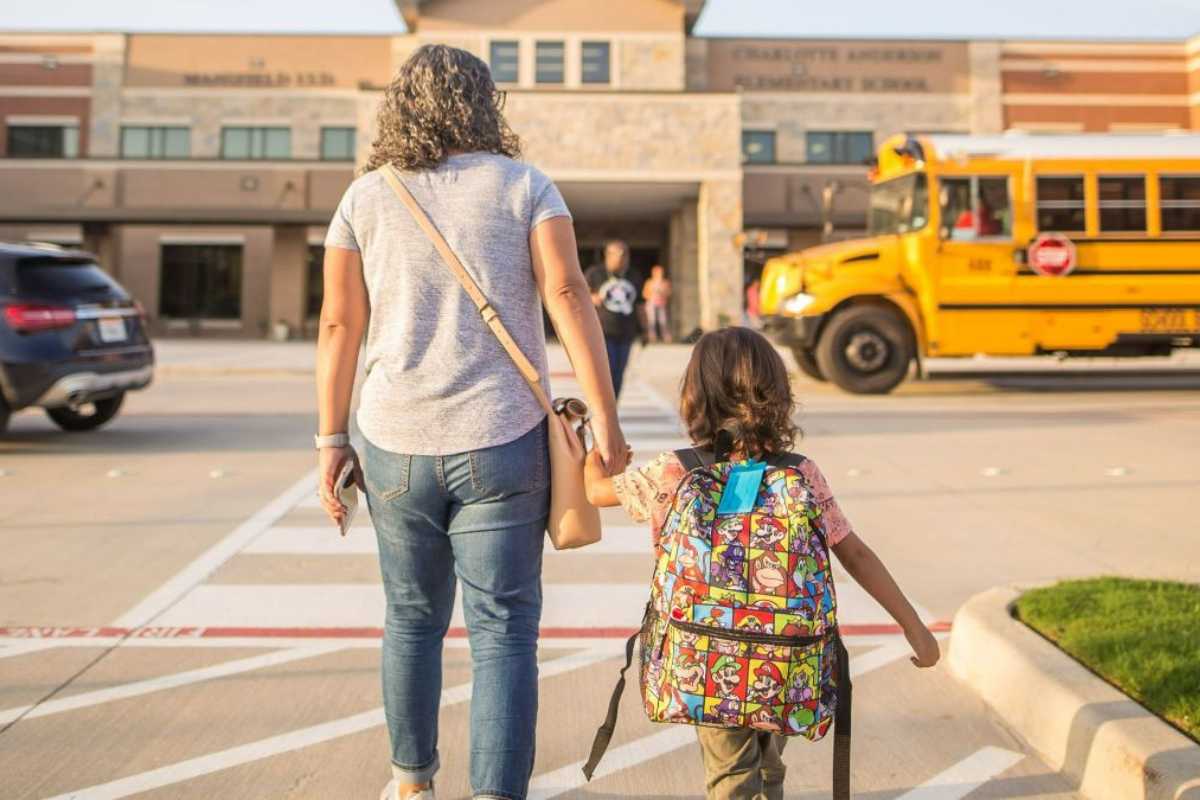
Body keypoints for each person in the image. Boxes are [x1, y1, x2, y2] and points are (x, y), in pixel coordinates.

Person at [314, 44, 628, 800]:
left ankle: (412, 783)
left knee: (412, 621)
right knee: (504, 631)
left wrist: (330, 442)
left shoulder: (364, 198)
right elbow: (569, 294)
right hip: (504, 442)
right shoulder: (526, 187)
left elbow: (337, 326)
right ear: (487, 104)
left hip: (394, 444)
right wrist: (607, 423)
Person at [582, 327, 939, 800]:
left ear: (695, 395)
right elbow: (853, 551)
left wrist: (592, 459)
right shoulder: (800, 473)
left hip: (706, 659)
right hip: (787, 658)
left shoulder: (676, 469)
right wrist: (914, 627)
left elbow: (595, 493)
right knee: (768, 760)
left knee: (732, 778)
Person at [586, 239, 641, 397]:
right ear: (608, 255)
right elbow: (577, 295)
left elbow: (640, 305)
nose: (622, 259)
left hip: (626, 332)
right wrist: (592, 298)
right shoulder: (595, 273)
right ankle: (603, 404)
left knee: (619, 372)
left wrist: (646, 330)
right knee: (606, 371)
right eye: (618, 255)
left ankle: (613, 406)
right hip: (602, 331)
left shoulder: (633, 275)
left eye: (625, 255)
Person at [642, 264, 672, 343]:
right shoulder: (649, 282)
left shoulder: (665, 282)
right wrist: (652, 294)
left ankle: (666, 337)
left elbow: (669, 293)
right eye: (658, 272)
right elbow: (644, 294)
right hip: (651, 304)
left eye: (661, 272)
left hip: (661, 304)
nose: (660, 274)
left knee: (663, 321)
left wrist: (662, 292)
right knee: (652, 321)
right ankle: (652, 337)